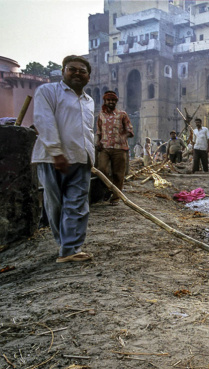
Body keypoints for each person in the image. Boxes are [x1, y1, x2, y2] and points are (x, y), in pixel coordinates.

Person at [31, 55, 94, 263]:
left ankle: (70, 249)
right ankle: (64, 245)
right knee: (55, 204)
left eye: (82, 71)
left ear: (88, 77)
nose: (77, 73)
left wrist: (91, 158)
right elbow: (44, 121)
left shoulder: (89, 101)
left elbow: (87, 131)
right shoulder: (48, 92)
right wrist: (57, 152)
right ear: (63, 72)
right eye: (72, 69)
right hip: (52, 159)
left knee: (77, 204)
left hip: (81, 160)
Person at [96, 90, 134, 206]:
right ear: (105, 101)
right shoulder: (101, 115)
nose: (111, 102)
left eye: (113, 100)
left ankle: (115, 197)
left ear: (116, 102)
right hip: (105, 147)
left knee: (118, 174)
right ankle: (109, 189)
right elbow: (99, 131)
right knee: (102, 170)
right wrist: (97, 141)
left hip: (119, 148)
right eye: (108, 100)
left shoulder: (122, 114)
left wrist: (123, 136)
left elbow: (130, 131)